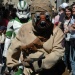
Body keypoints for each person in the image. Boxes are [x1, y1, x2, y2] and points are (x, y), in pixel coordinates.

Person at [6, 0, 65, 75]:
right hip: (29, 72)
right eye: (38, 17)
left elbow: (58, 52)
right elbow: (14, 48)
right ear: (33, 16)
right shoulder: (25, 28)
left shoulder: (57, 32)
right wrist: (12, 65)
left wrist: (39, 64)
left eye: (46, 17)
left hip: (50, 71)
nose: (42, 21)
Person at [2, 0, 31, 74]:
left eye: (24, 10)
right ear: (17, 10)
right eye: (21, 11)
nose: (22, 13)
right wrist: (5, 51)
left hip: (29, 50)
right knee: (17, 70)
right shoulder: (12, 22)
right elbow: (8, 38)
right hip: (16, 50)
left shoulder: (31, 22)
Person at [63, 6, 72, 72]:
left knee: (70, 56)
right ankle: (66, 68)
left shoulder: (73, 19)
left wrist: (69, 30)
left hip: (72, 40)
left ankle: (71, 68)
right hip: (66, 40)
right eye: (66, 11)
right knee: (66, 54)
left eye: (69, 11)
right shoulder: (64, 19)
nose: (67, 12)